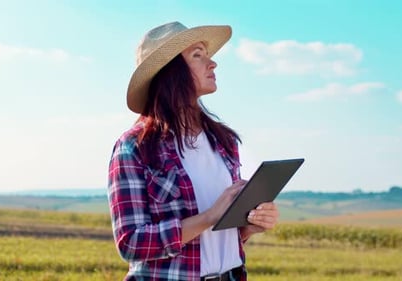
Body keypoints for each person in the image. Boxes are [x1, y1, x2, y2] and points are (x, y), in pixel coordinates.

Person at [108, 21, 279, 281]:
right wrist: (209, 216)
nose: (213, 64)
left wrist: (249, 225)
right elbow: (131, 243)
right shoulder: (134, 147)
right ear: (170, 71)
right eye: (198, 55)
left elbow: (216, 238)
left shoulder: (223, 141)